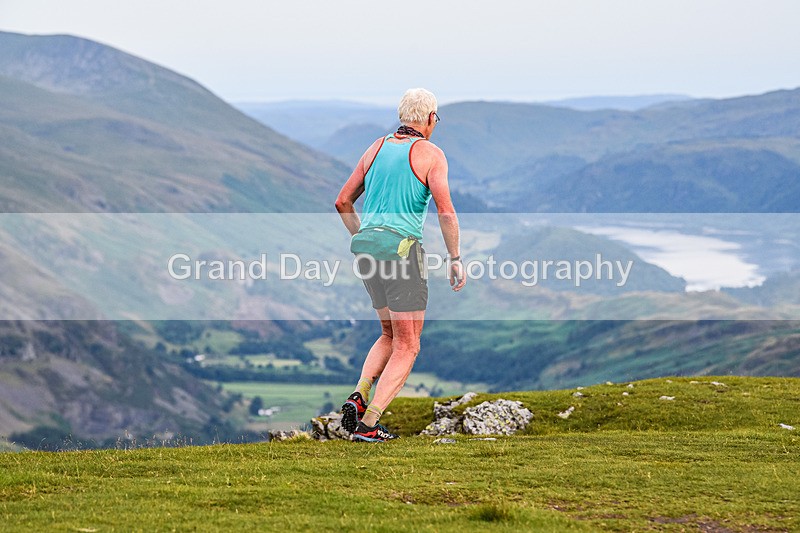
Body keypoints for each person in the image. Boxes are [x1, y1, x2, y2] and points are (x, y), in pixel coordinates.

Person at [334, 88, 466, 442]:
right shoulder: (431, 154)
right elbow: (445, 211)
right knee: (408, 344)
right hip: (403, 253)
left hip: (366, 251)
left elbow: (343, 201)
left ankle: (359, 395)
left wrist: (364, 237)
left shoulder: (375, 148)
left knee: (389, 333)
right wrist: (455, 258)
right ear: (429, 119)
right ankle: (369, 424)